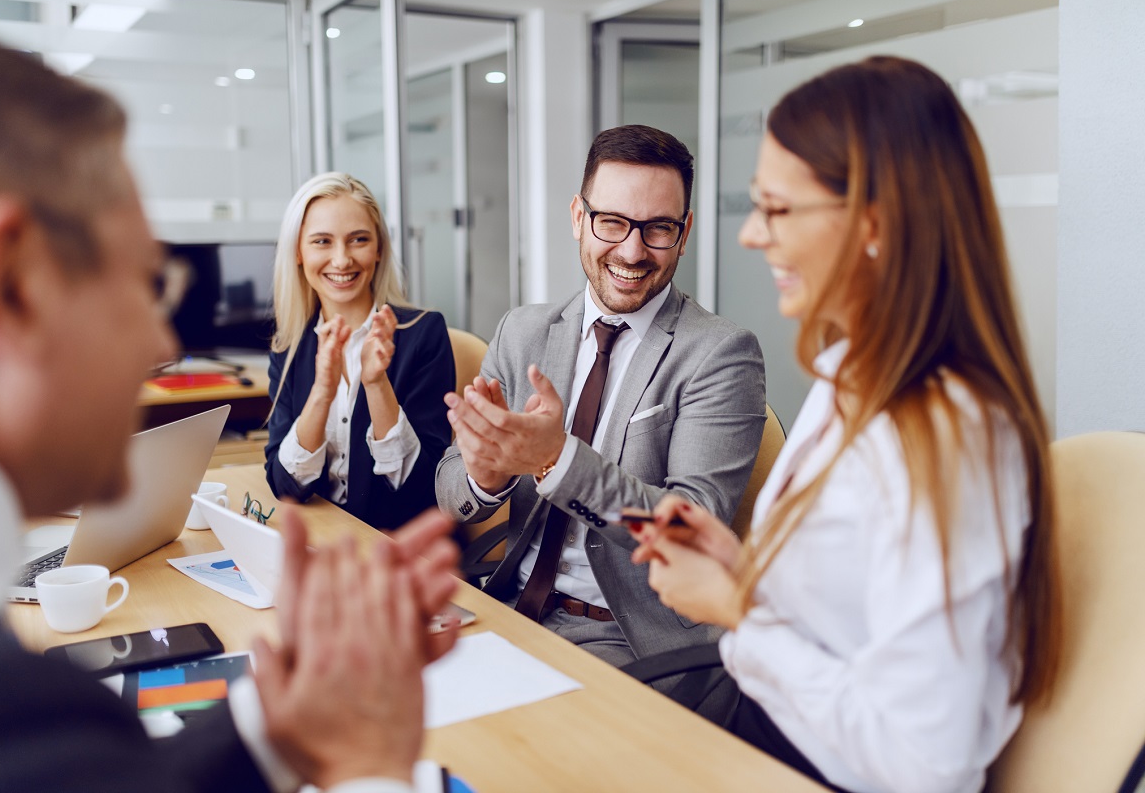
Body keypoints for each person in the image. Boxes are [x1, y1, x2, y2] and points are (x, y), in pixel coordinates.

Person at [0, 28, 460, 793]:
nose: (160, 341)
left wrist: (281, 728)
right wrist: (370, 766)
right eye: (148, 284)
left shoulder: (0, 687)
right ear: (10, 287)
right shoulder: (4, 714)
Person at [632, 56, 1059, 793]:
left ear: (873, 224)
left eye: (777, 209)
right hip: (760, 736)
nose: (751, 236)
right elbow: (850, 627)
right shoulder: (851, 376)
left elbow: (928, 767)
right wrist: (743, 572)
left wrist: (737, 609)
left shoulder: (948, 436)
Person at [436, 124, 767, 722]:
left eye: (658, 228)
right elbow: (453, 489)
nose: (632, 252)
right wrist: (485, 478)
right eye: (611, 222)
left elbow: (690, 532)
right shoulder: (524, 331)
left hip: (631, 639)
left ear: (684, 232)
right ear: (578, 217)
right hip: (509, 604)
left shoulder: (720, 353)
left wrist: (555, 459)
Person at [265, 172, 455, 531]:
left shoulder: (423, 335)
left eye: (358, 240)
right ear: (298, 252)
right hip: (320, 539)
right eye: (322, 241)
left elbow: (422, 492)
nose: (341, 260)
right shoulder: (289, 346)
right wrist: (322, 390)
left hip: (396, 548)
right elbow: (285, 485)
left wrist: (376, 383)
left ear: (379, 248)